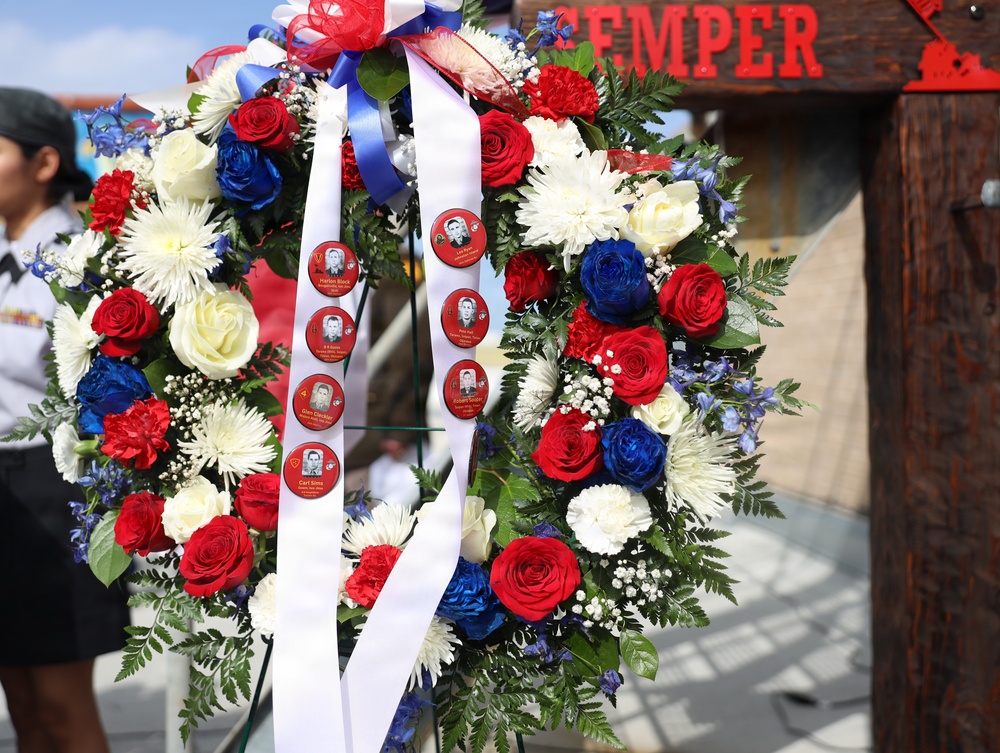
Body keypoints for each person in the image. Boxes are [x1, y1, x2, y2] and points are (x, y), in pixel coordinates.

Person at [0, 87, 129, 753]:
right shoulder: (3, 260)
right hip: (6, 494)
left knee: (60, 704)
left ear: (44, 162)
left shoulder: (81, 260)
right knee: (22, 701)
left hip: (57, 491)